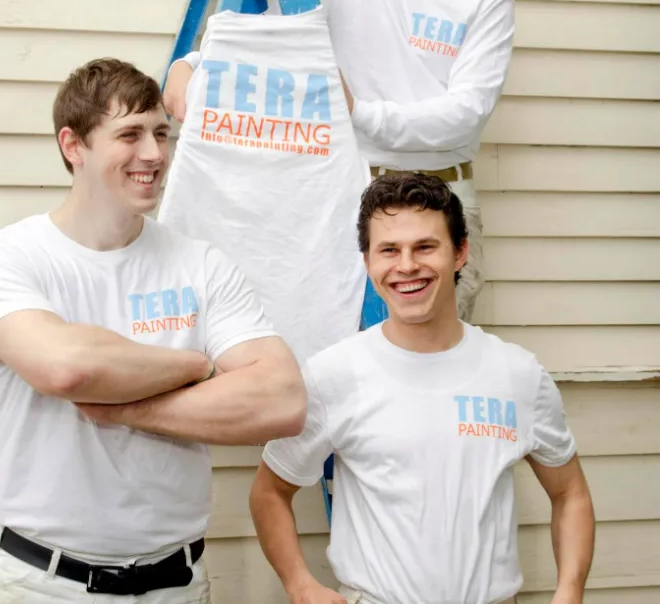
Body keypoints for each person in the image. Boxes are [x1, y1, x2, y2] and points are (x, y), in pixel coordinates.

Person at [0, 58, 306, 603]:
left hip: (175, 584)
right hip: (39, 583)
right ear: (73, 145)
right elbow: (66, 368)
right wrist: (199, 367)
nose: (154, 154)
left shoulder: (201, 264)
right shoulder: (3, 255)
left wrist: (122, 407)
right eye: (130, 134)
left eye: (161, 134)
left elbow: (283, 400)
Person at [163, 0, 515, 323]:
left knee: (428, 354)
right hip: (344, 197)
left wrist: (356, 111)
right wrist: (191, 64)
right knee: (335, 348)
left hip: (439, 198)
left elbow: (464, 116)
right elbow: (270, 37)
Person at [249, 173, 595, 604]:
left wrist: (570, 591)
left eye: (425, 247)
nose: (407, 265)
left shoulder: (517, 374)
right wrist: (300, 585)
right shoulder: (333, 374)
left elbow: (570, 492)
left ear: (460, 252)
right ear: (367, 262)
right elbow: (270, 492)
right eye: (389, 250)